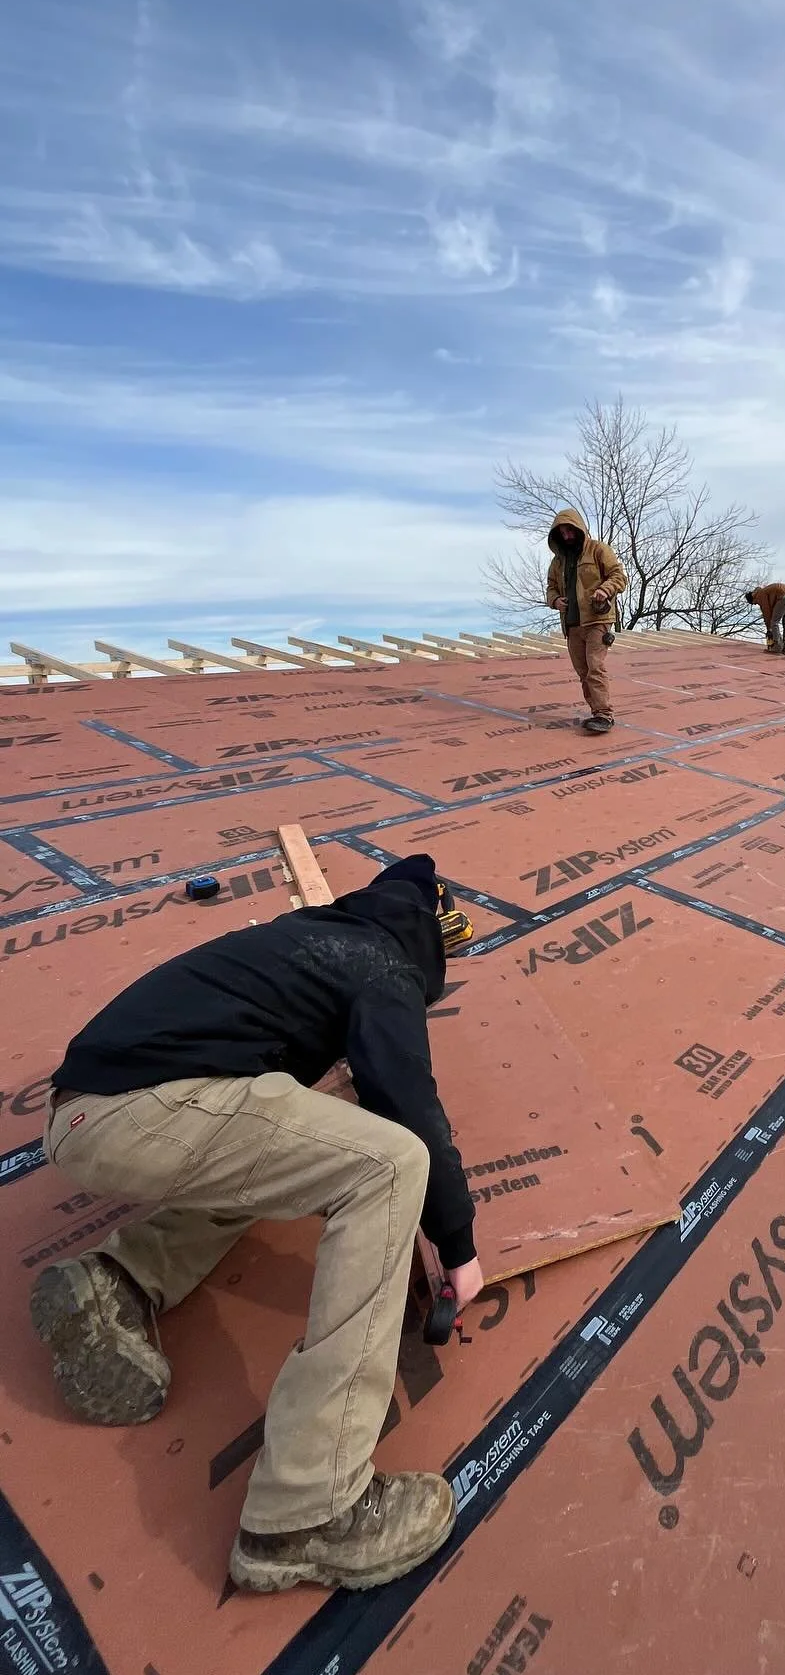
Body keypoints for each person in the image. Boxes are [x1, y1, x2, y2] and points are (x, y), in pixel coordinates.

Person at [29, 853, 483, 1596]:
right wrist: (458, 1245)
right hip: (143, 1110)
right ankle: (309, 1507)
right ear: (428, 936)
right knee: (389, 1165)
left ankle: (116, 1281)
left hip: (90, 1109)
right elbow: (410, 1107)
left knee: (287, 1148)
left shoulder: (307, 940)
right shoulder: (383, 963)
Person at [546, 507, 628, 734]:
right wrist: (555, 601)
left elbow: (619, 576)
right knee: (583, 671)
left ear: (579, 528)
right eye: (562, 532)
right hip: (572, 624)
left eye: (570, 531)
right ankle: (596, 713)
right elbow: (550, 588)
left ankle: (604, 715)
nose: (567, 536)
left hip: (596, 619)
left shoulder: (598, 550)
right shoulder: (558, 562)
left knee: (595, 666)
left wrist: (604, 589)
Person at [745, 582, 785, 656]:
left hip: (783, 597)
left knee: (774, 622)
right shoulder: (765, 591)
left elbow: (767, 612)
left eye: (754, 603)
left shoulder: (760, 595)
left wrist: (769, 629)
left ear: (753, 599)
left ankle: (777, 647)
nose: (756, 604)